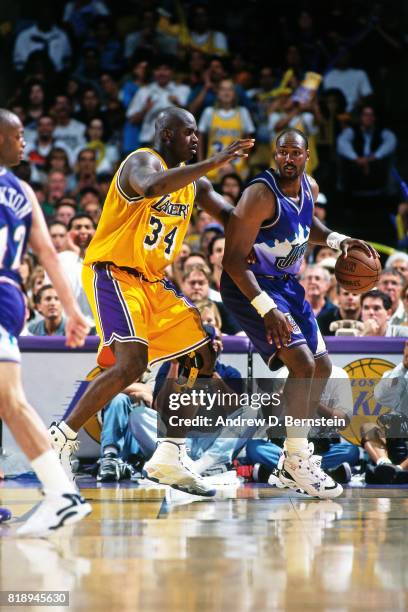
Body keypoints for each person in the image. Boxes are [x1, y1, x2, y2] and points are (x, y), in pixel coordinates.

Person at [48, 106, 254, 496]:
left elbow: (232, 216)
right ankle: (61, 436)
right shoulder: (142, 161)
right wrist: (214, 161)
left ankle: (170, 455)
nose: (196, 139)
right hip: (114, 271)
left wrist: (278, 222)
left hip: (152, 280)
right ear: (167, 134)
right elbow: (152, 187)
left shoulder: (196, 184)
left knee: (200, 356)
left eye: (198, 133)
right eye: (189, 133)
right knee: (132, 364)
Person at [221, 127, 376, 499]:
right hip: (251, 287)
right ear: (275, 156)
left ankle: (295, 458)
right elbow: (230, 261)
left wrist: (340, 241)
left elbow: (310, 228)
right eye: (282, 153)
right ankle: (295, 459)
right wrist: (266, 308)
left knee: (321, 367)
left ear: (307, 155)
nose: (288, 159)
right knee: (303, 365)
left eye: (295, 153)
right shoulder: (259, 195)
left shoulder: (311, 187)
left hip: (287, 286)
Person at [0, 109, 91, 536]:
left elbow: (52, 256)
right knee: (8, 401)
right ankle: (60, 493)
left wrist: (73, 311)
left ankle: (61, 494)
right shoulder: (22, 191)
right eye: (17, 136)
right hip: (11, 296)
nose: (24, 143)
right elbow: (49, 257)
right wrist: (73, 311)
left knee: (12, 401)